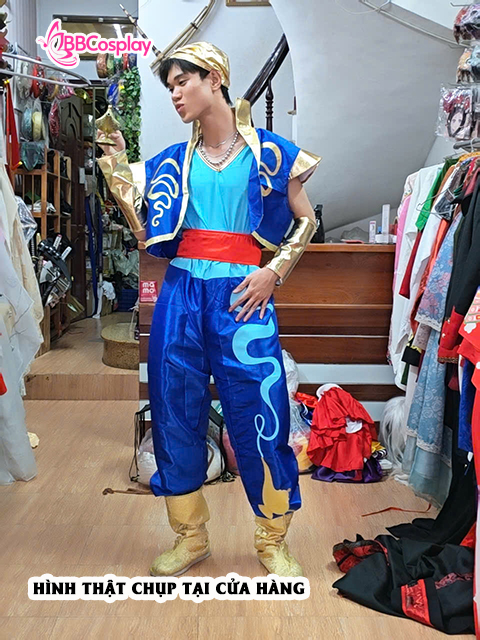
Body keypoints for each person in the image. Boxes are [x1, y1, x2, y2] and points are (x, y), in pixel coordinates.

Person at [98, 42, 321, 578]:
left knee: (262, 410)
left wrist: (274, 271)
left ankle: (272, 538)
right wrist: (114, 161)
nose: (175, 95)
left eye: (183, 82)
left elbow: (305, 220)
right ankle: (190, 536)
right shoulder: (171, 162)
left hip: (244, 294)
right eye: (170, 87)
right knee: (173, 407)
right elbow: (142, 225)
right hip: (181, 294)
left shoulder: (270, 154)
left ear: (214, 78)